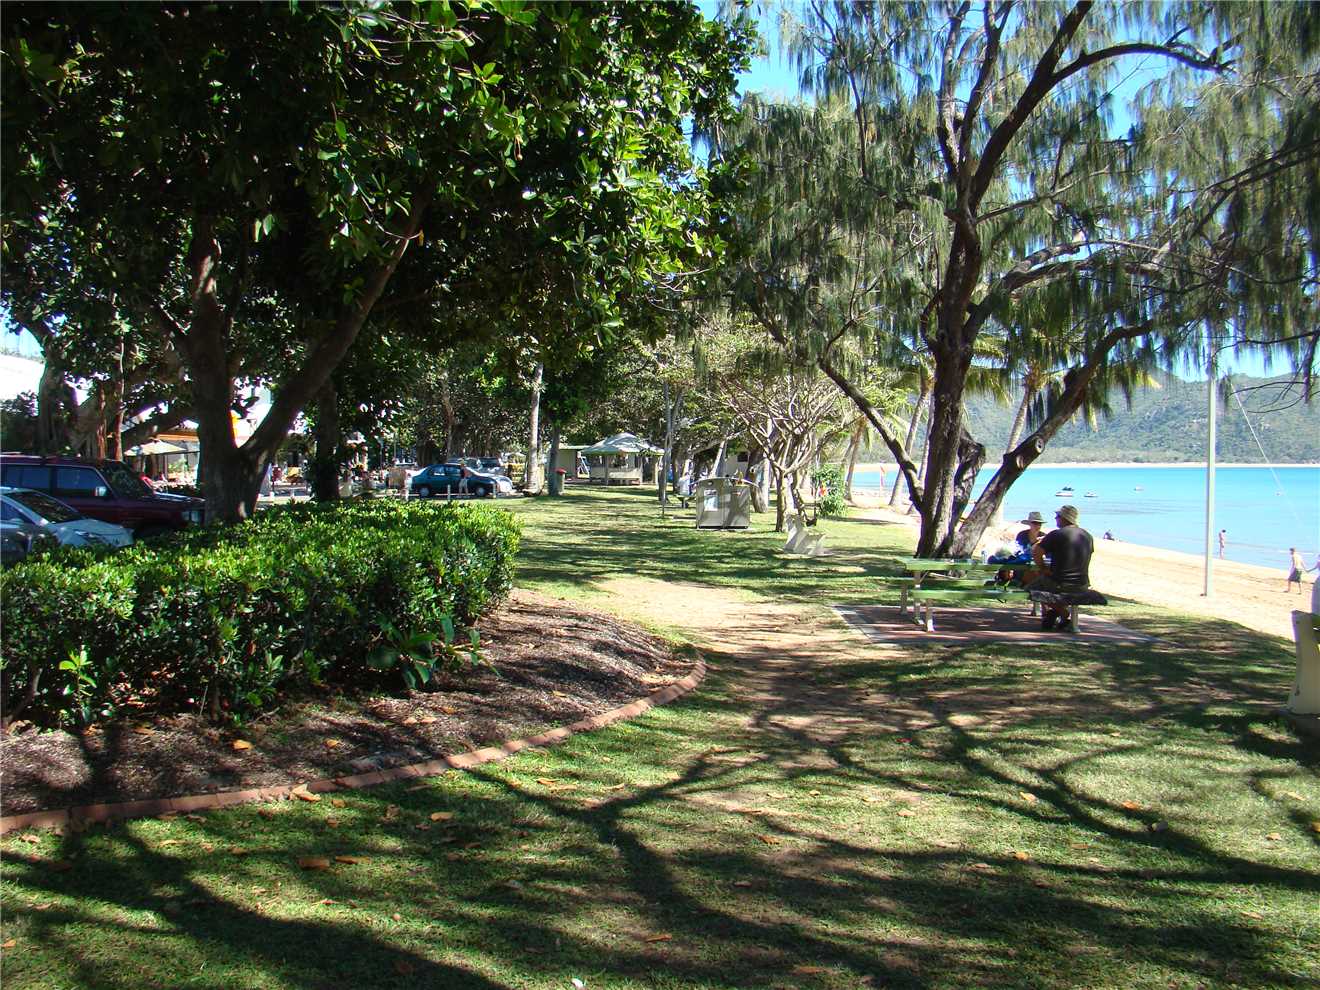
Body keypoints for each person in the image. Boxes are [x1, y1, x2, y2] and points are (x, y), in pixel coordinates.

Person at [1028, 504, 1094, 631]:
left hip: (1060, 582)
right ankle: (1056, 614)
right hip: (1082, 583)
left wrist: (1042, 568)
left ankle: (1063, 613)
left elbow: (1036, 552)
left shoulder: (1056, 534)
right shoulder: (1088, 536)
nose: (1055, 518)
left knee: (1030, 587)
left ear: (1064, 518)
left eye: (1057, 516)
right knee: (1048, 585)